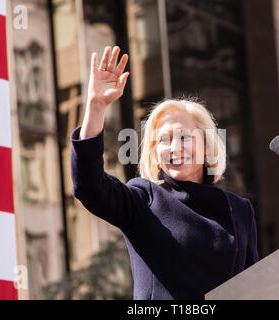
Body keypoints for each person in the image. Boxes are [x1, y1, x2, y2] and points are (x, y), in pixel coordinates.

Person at [70, 46, 259, 300]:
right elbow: (90, 187)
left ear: (206, 145)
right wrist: (95, 107)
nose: (174, 147)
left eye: (184, 137)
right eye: (164, 140)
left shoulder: (239, 210)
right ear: (154, 151)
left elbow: (254, 286)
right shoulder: (144, 198)